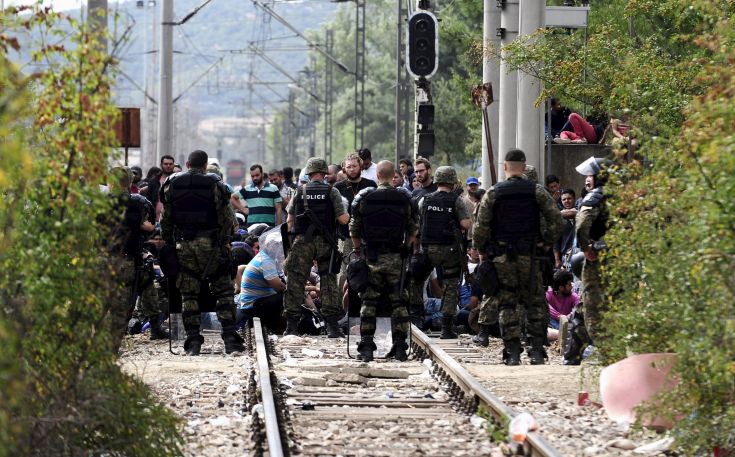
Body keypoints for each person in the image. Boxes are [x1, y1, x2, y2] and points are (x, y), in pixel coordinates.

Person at [472, 149, 563, 365]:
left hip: (502, 256)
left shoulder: (493, 193)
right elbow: (556, 221)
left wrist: (483, 251)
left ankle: (512, 351)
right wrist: (546, 242)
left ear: (505, 167)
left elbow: (480, 227)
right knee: (533, 301)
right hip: (530, 256)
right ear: (523, 166)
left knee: (507, 303)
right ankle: (537, 350)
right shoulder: (537, 192)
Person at [160, 150, 243, 355]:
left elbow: (165, 222)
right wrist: (224, 241)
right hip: (212, 247)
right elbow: (229, 222)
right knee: (223, 292)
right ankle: (230, 339)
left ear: (187, 164)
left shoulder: (172, 185)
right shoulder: (215, 184)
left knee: (189, 294)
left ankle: (193, 341)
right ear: (205, 165)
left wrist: (172, 244)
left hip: (184, 247)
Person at [350, 160, 418, 361]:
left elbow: (353, 229)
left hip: (371, 257)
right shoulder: (404, 199)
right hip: (397, 257)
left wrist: (357, 249)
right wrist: (406, 246)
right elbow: (414, 229)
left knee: (369, 301)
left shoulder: (365, 198)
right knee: (398, 302)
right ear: (393, 175)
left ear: (377, 176)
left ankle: (367, 347)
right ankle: (399, 347)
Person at [283, 157, 350, 337]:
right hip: (326, 242)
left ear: (309, 173)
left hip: (302, 242)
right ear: (324, 173)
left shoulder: (300, 191)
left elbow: (289, 222)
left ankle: (291, 326)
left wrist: (291, 247)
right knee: (328, 281)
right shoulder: (332, 191)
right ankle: (332, 327)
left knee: (295, 281)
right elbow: (343, 219)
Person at [106, 167, 157, 353]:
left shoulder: (97, 204)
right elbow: (149, 226)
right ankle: (111, 348)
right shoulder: (138, 203)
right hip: (126, 259)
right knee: (122, 306)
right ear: (129, 183)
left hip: (100, 260)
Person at [417, 166, 472, 339]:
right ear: (453, 182)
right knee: (450, 286)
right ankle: (447, 328)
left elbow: (418, 222)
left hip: (427, 250)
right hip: (450, 250)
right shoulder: (456, 201)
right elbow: (466, 224)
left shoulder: (424, 200)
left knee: (417, 283)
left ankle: (414, 319)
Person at [573, 156, 611, 350]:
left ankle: (601, 348)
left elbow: (581, 226)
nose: (587, 179)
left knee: (592, 302)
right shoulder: (622, 195)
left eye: (591, 175)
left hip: (598, 258)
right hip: (620, 258)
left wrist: (586, 249)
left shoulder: (594, 197)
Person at [554, 189, 578, 269]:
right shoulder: (559, 218)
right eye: (564, 199)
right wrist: (557, 260)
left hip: (579, 252)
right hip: (566, 255)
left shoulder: (581, 213)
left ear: (574, 199)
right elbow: (556, 241)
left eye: (569, 198)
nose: (566, 201)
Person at [154, 155, 176, 221]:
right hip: (155, 220)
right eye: (166, 164)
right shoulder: (154, 181)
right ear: (161, 165)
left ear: (173, 165)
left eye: (170, 164)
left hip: (172, 220)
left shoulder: (177, 180)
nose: (168, 166)